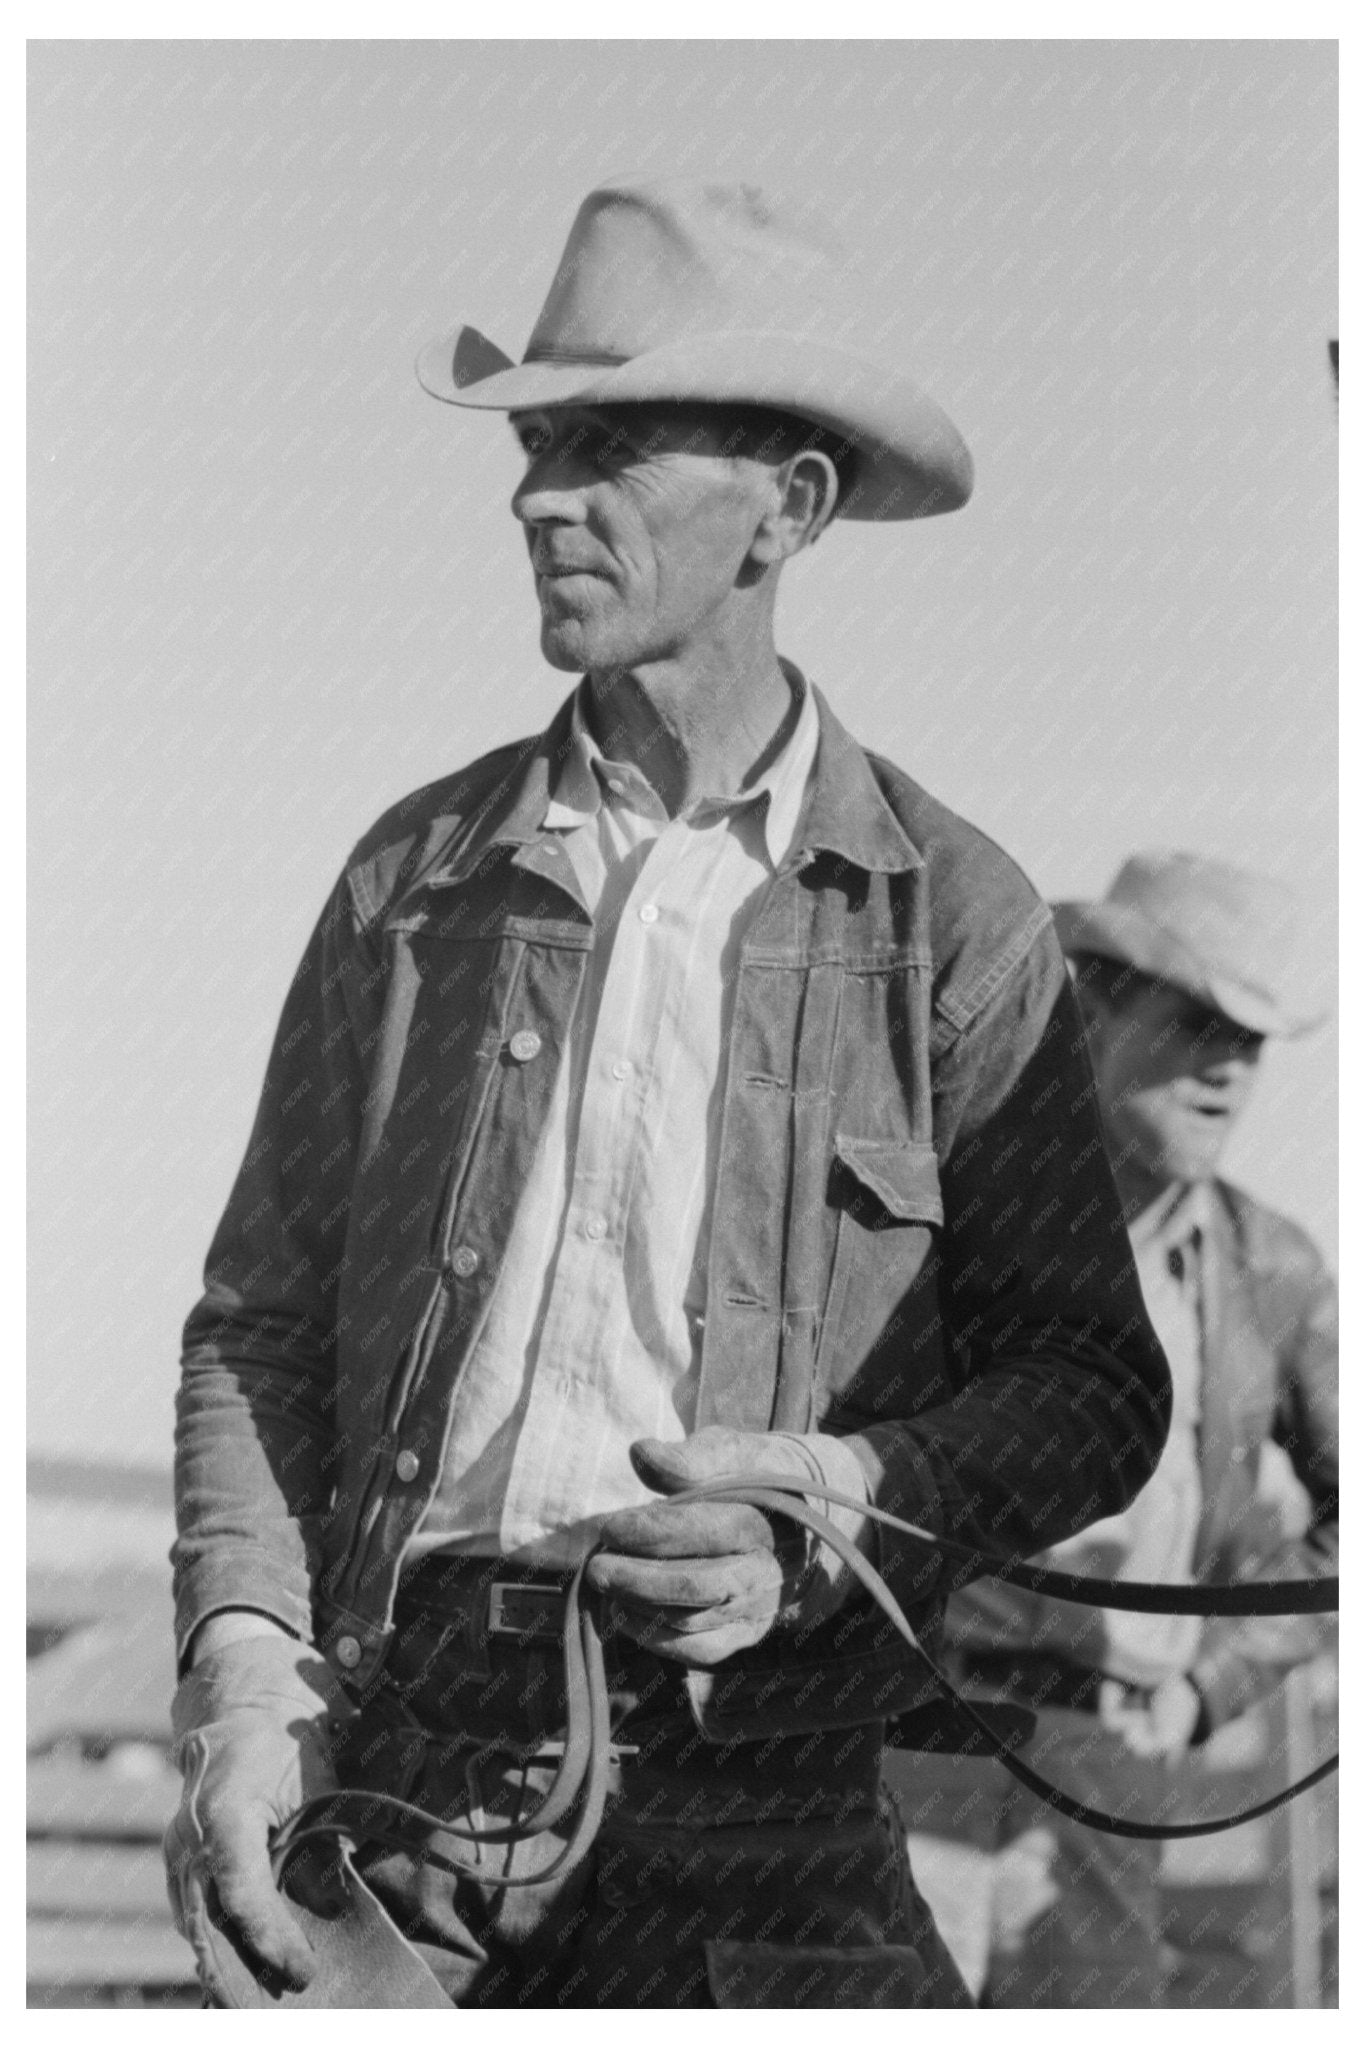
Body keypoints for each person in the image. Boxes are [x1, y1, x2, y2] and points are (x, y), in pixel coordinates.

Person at [163, 179, 1171, 2010]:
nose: (540, 494)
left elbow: (1098, 1386)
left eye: (609, 445)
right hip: (392, 1779)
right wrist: (241, 1677)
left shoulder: (958, 919)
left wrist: (847, 1497)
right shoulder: (415, 882)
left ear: (788, 509)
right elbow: (259, 1323)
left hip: (767, 1792)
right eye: (540, 443)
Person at [900, 851, 1339, 2007]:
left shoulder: (1271, 1268)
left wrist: (1212, 1681)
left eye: (1252, 1040)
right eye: (1199, 1020)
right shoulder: (942, 1220)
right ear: (1091, 1001)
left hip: (1112, 1773)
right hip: (910, 1738)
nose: (1231, 1069)